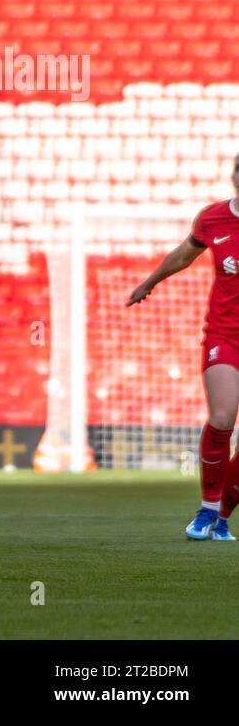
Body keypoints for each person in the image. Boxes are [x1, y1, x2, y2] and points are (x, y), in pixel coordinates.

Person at [128, 156, 239, 541]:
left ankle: (223, 515)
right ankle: (207, 511)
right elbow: (183, 255)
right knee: (223, 417)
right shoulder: (212, 218)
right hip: (225, 336)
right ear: (235, 178)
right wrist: (150, 282)